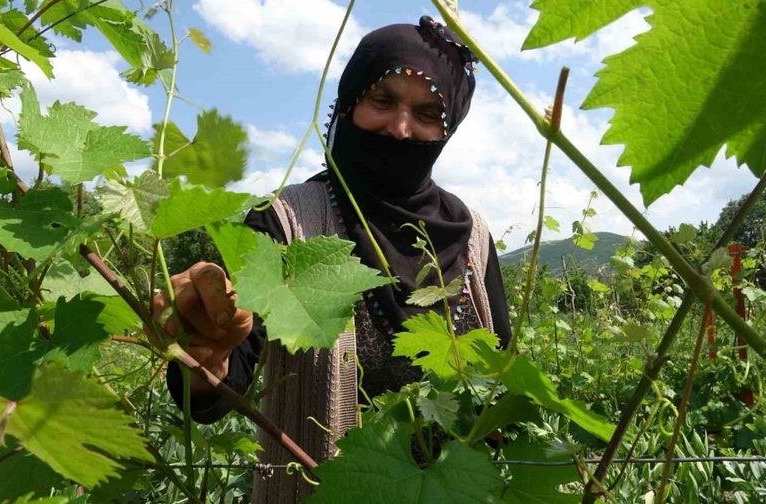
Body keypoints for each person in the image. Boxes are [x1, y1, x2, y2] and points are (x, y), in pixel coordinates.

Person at [159, 16, 512, 503]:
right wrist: (206, 355)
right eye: (382, 101)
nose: (401, 129)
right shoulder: (285, 222)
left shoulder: (472, 233)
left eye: (429, 113)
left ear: (449, 128)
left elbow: (501, 376)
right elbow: (225, 379)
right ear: (348, 104)